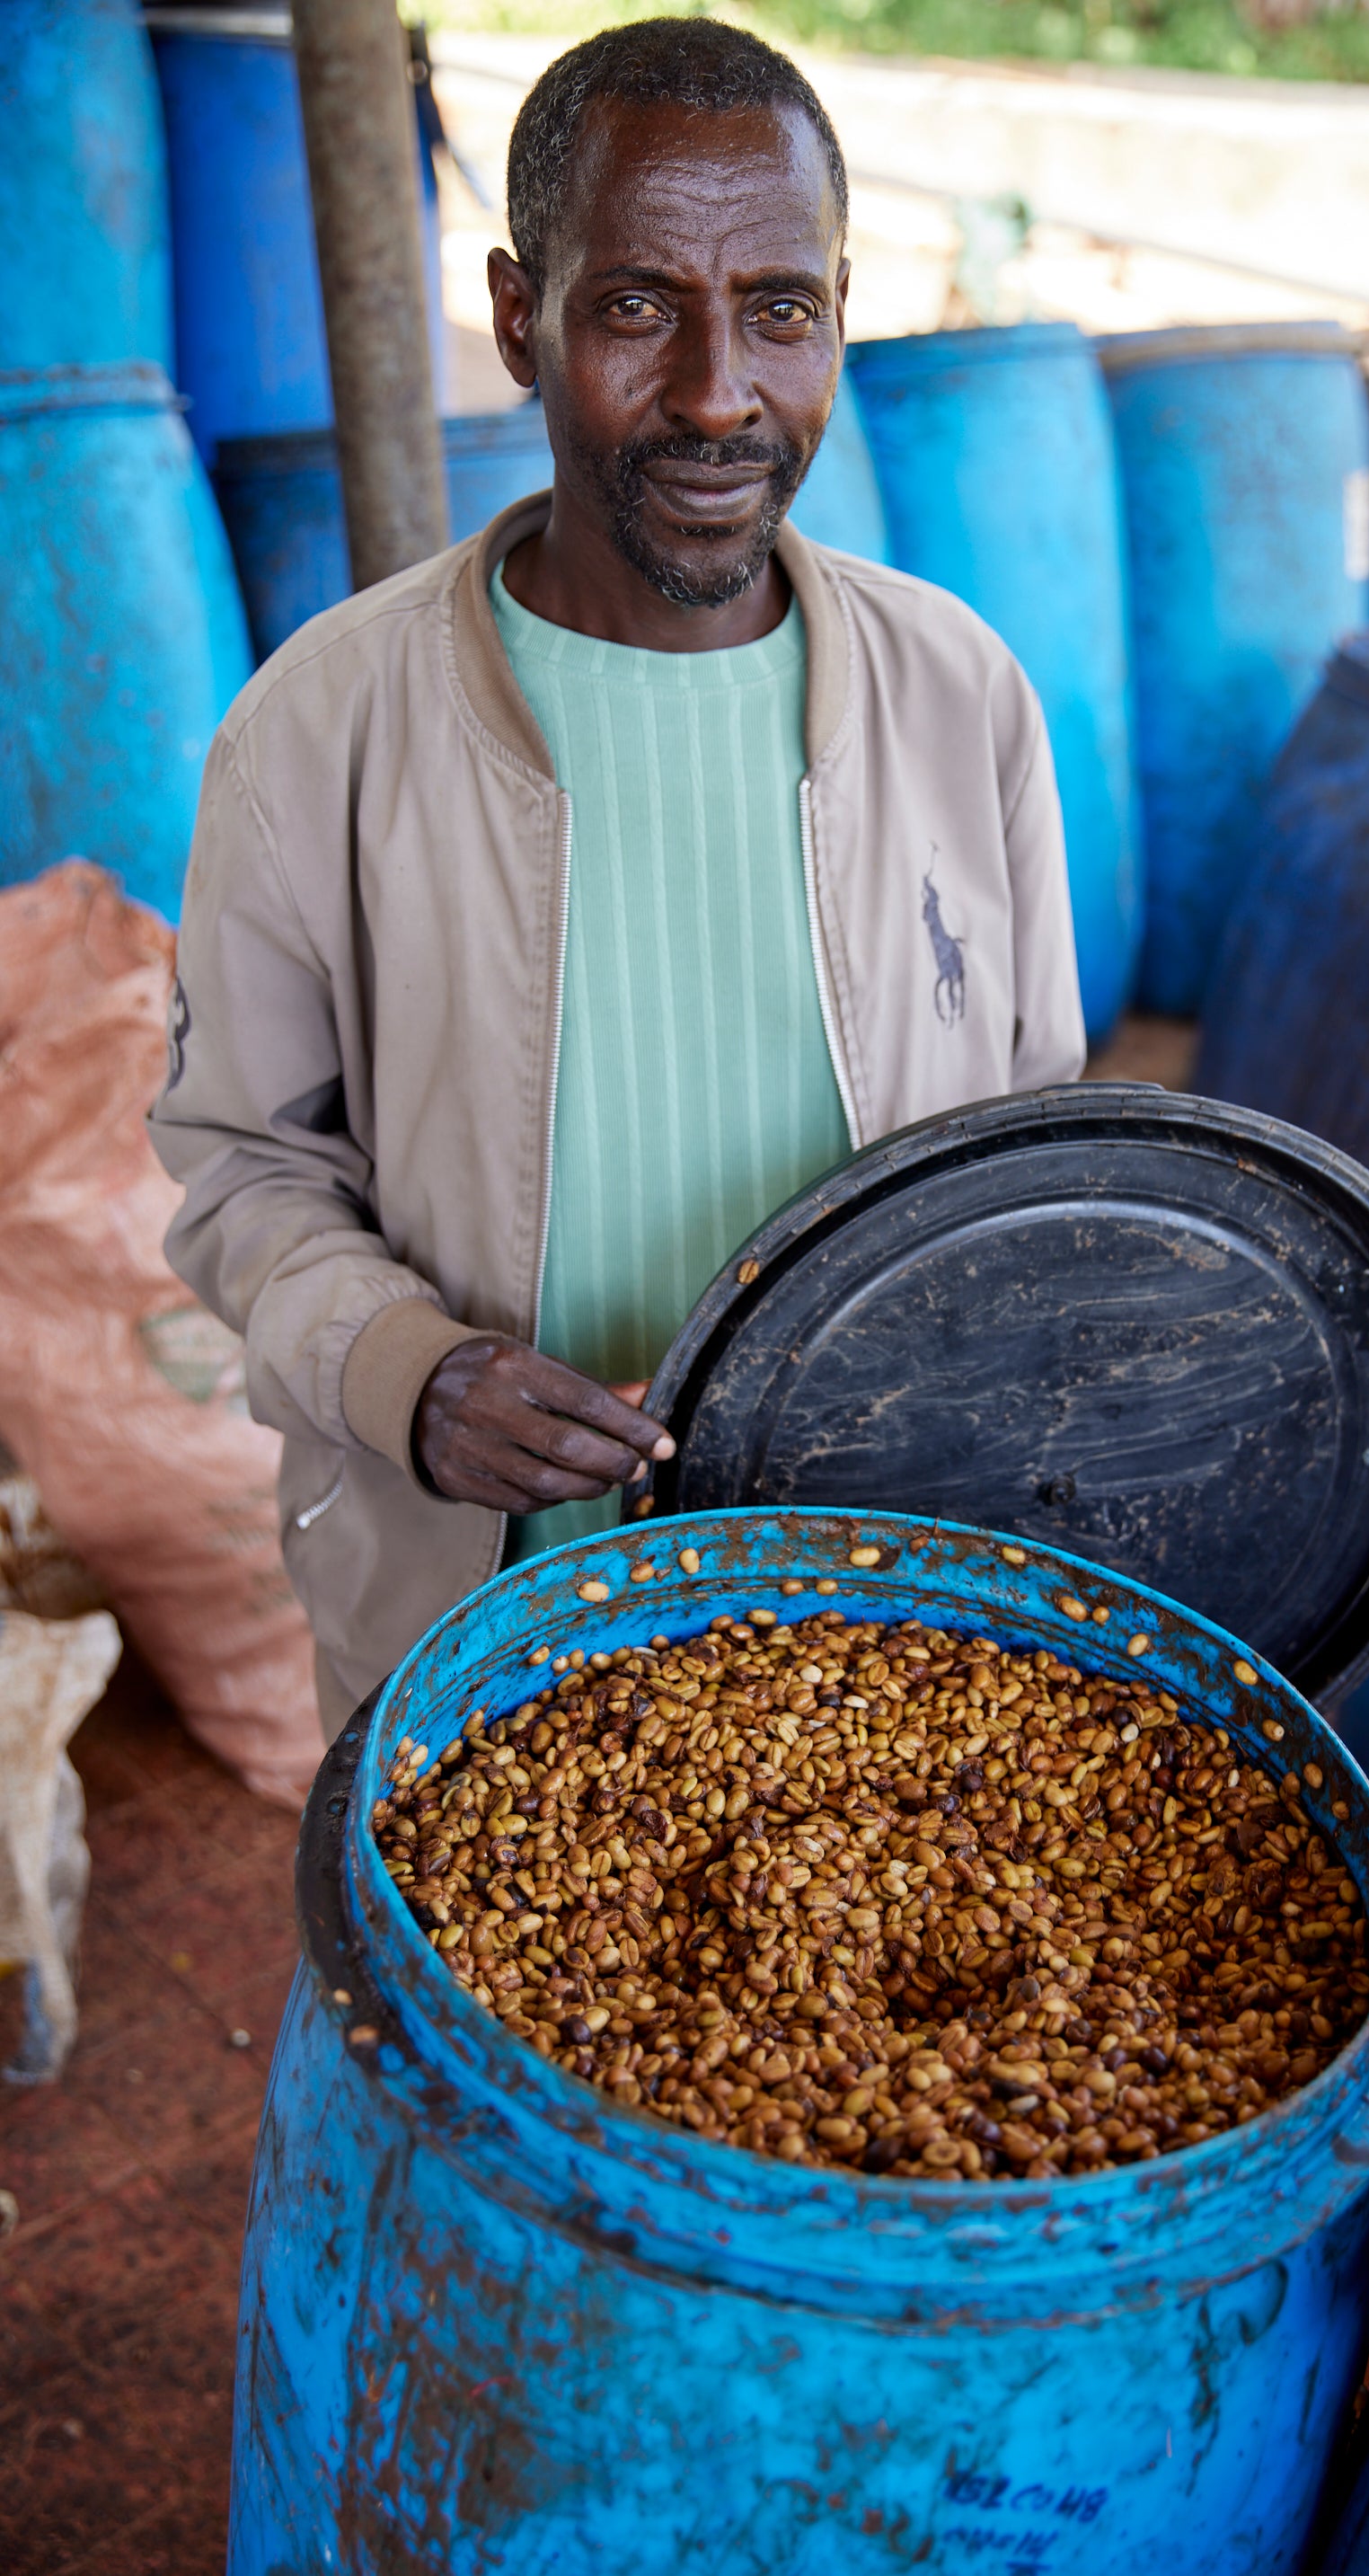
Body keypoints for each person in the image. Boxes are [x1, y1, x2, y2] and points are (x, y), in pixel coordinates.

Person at [150, 17, 1084, 1735]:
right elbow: (240, 1170)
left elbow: (1033, 1159)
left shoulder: (960, 697)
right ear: (521, 318)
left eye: (781, 310)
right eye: (640, 308)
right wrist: (405, 1371)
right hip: (478, 1651)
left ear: (841, 312)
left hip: (882, 1623)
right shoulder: (321, 730)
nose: (721, 395)